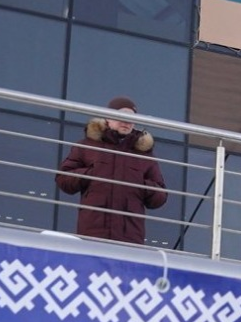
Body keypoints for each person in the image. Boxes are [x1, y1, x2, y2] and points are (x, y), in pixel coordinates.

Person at [56, 96, 167, 244]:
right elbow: (63, 179)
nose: (127, 122)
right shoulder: (87, 146)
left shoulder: (143, 154)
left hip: (130, 239)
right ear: (108, 117)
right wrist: (91, 174)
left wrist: (140, 184)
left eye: (132, 118)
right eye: (121, 116)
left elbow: (160, 197)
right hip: (93, 234)